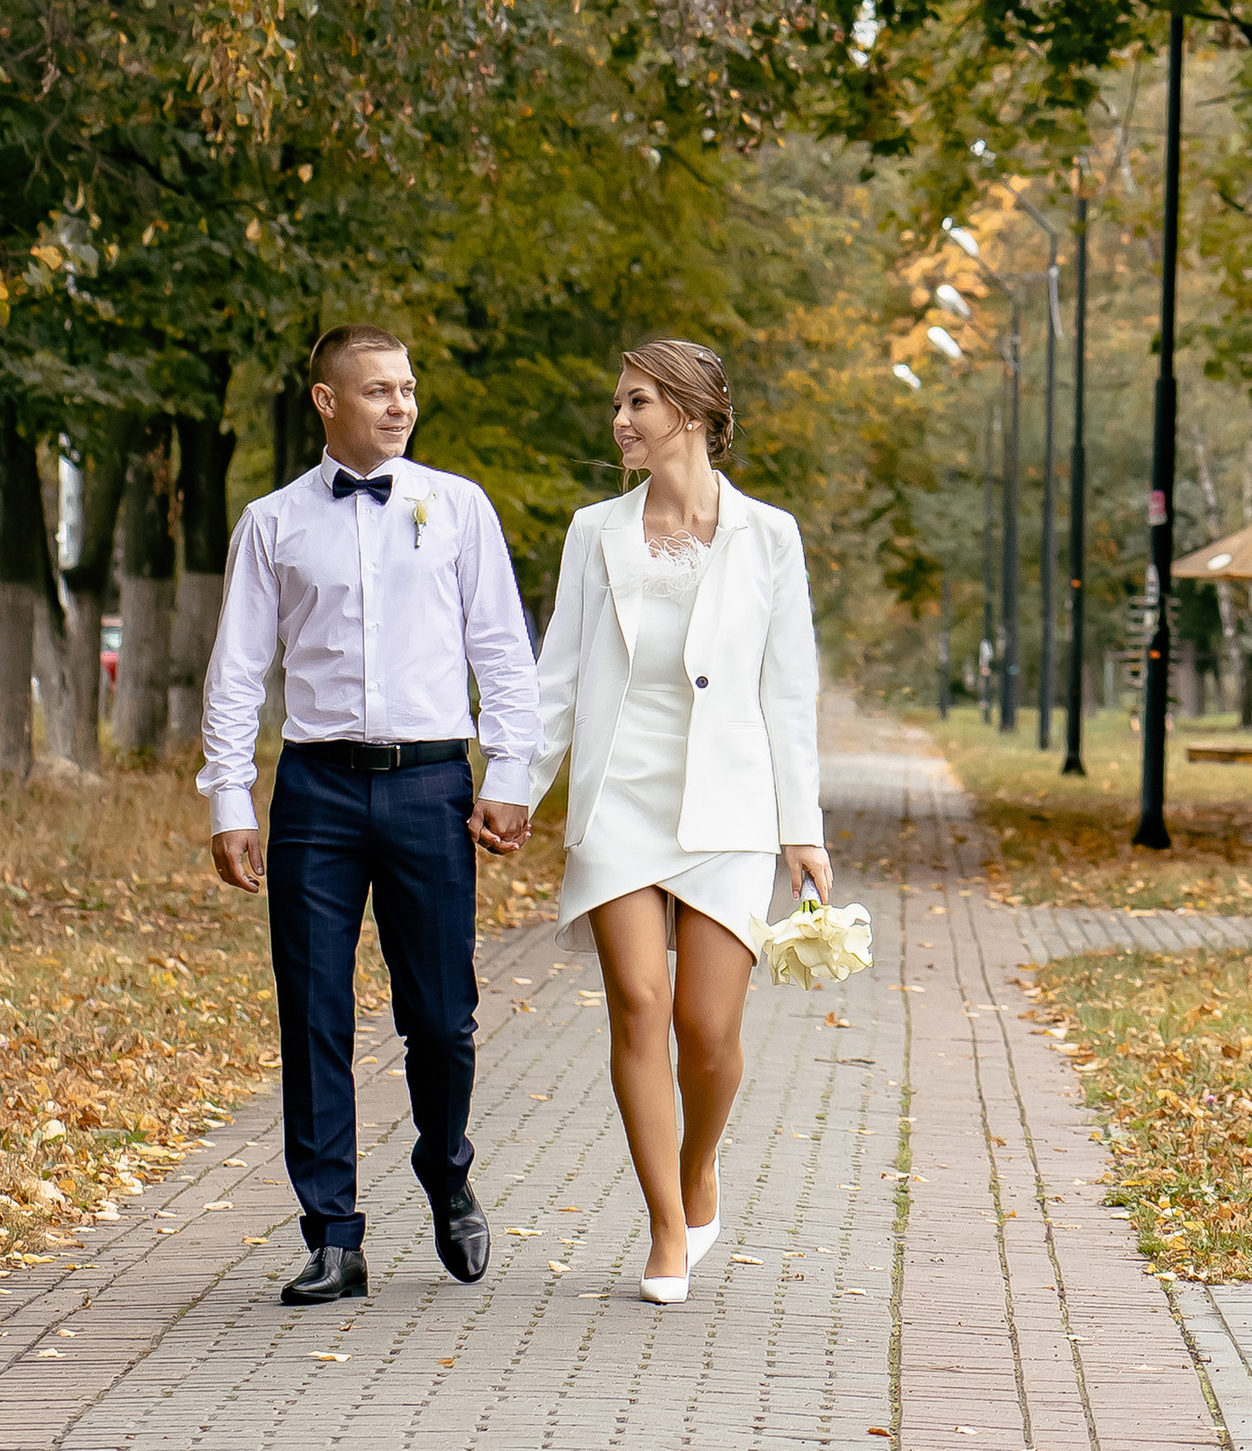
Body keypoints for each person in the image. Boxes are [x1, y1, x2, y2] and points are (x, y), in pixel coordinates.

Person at [200, 325, 539, 1308]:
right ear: (325, 401)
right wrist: (232, 797)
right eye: (379, 390)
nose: (399, 404)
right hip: (316, 789)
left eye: (407, 389)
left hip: (432, 782)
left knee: (441, 1020)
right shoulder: (272, 524)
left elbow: (502, 654)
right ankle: (333, 1236)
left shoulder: (458, 508)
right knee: (313, 1015)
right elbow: (237, 674)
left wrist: (508, 774)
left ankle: (446, 1166)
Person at [527, 338, 831, 1302]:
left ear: (692, 413)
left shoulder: (768, 536)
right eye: (619, 404)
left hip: (730, 801)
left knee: (706, 1025)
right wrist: (512, 787)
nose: (620, 421)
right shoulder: (592, 532)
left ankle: (700, 1167)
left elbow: (790, 691)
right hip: (620, 793)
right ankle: (665, 1224)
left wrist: (803, 826)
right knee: (638, 1004)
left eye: (639, 403)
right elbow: (558, 674)